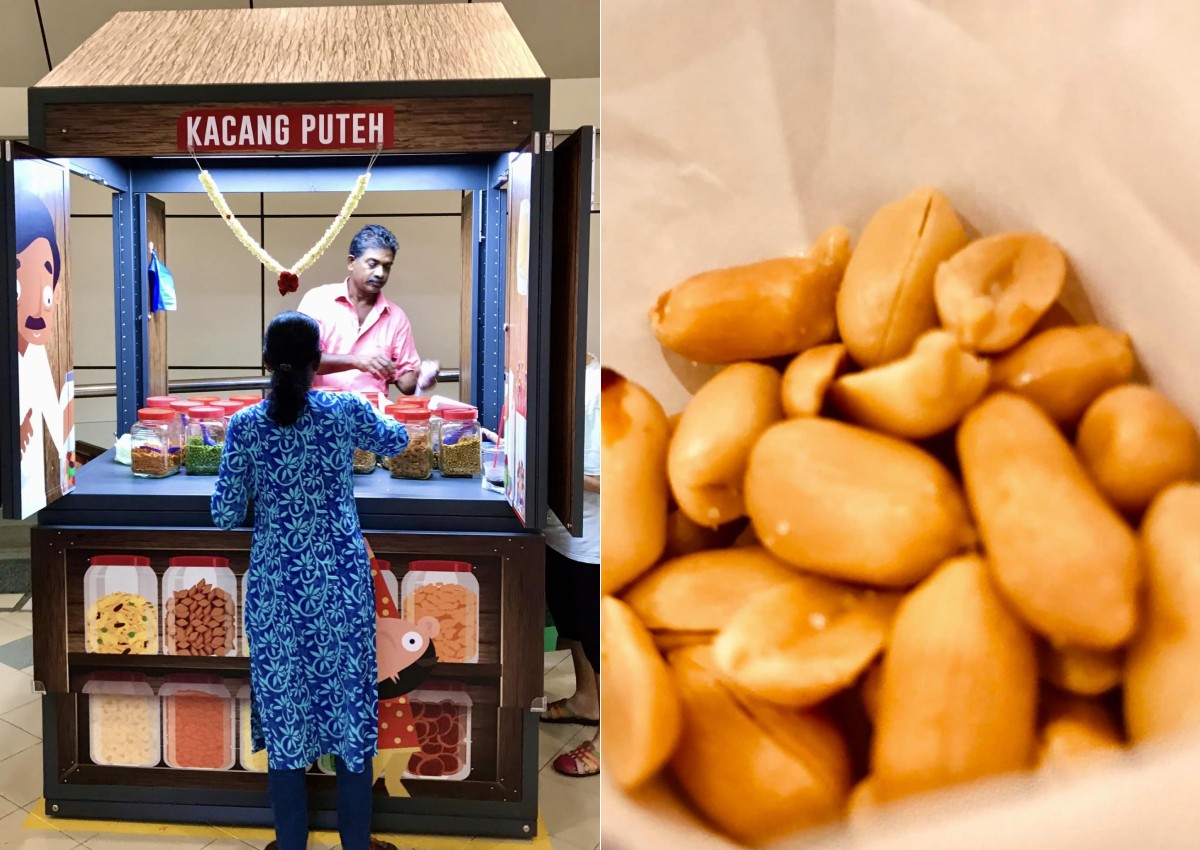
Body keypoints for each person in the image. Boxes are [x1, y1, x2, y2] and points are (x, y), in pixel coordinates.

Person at [212, 311, 410, 850]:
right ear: (319, 364)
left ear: (265, 364)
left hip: (278, 590)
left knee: (285, 711)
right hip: (342, 585)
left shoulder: (245, 425)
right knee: (350, 706)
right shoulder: (344, 410)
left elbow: (226, 513)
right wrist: (388, 392)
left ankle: (291, 842)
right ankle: (356, 843)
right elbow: (397, 440)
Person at [540, 353, 601, 777]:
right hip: (560, 532)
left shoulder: (600, 389)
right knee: (573, 625)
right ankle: (587, 701)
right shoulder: (549, 381)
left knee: (601, 638)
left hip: (597, 539)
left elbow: (611, 477)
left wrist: (551, 469)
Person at [297, 224, 438, 397]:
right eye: (372, 264)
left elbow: (406, 385)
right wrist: (358, 360)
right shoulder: (317, 300)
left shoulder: (396, 317)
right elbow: (300, 360)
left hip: (372, 418)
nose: (380, 273)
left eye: (387, 266)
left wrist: (423, 376)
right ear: (351, 262)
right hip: (322, 414)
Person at [15, 190, 72, 515]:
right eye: (21, 289)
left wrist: (69, 480)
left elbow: (59, 428)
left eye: (47, 293)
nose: (38, 308)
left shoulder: (38, 355)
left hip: (37, 483)